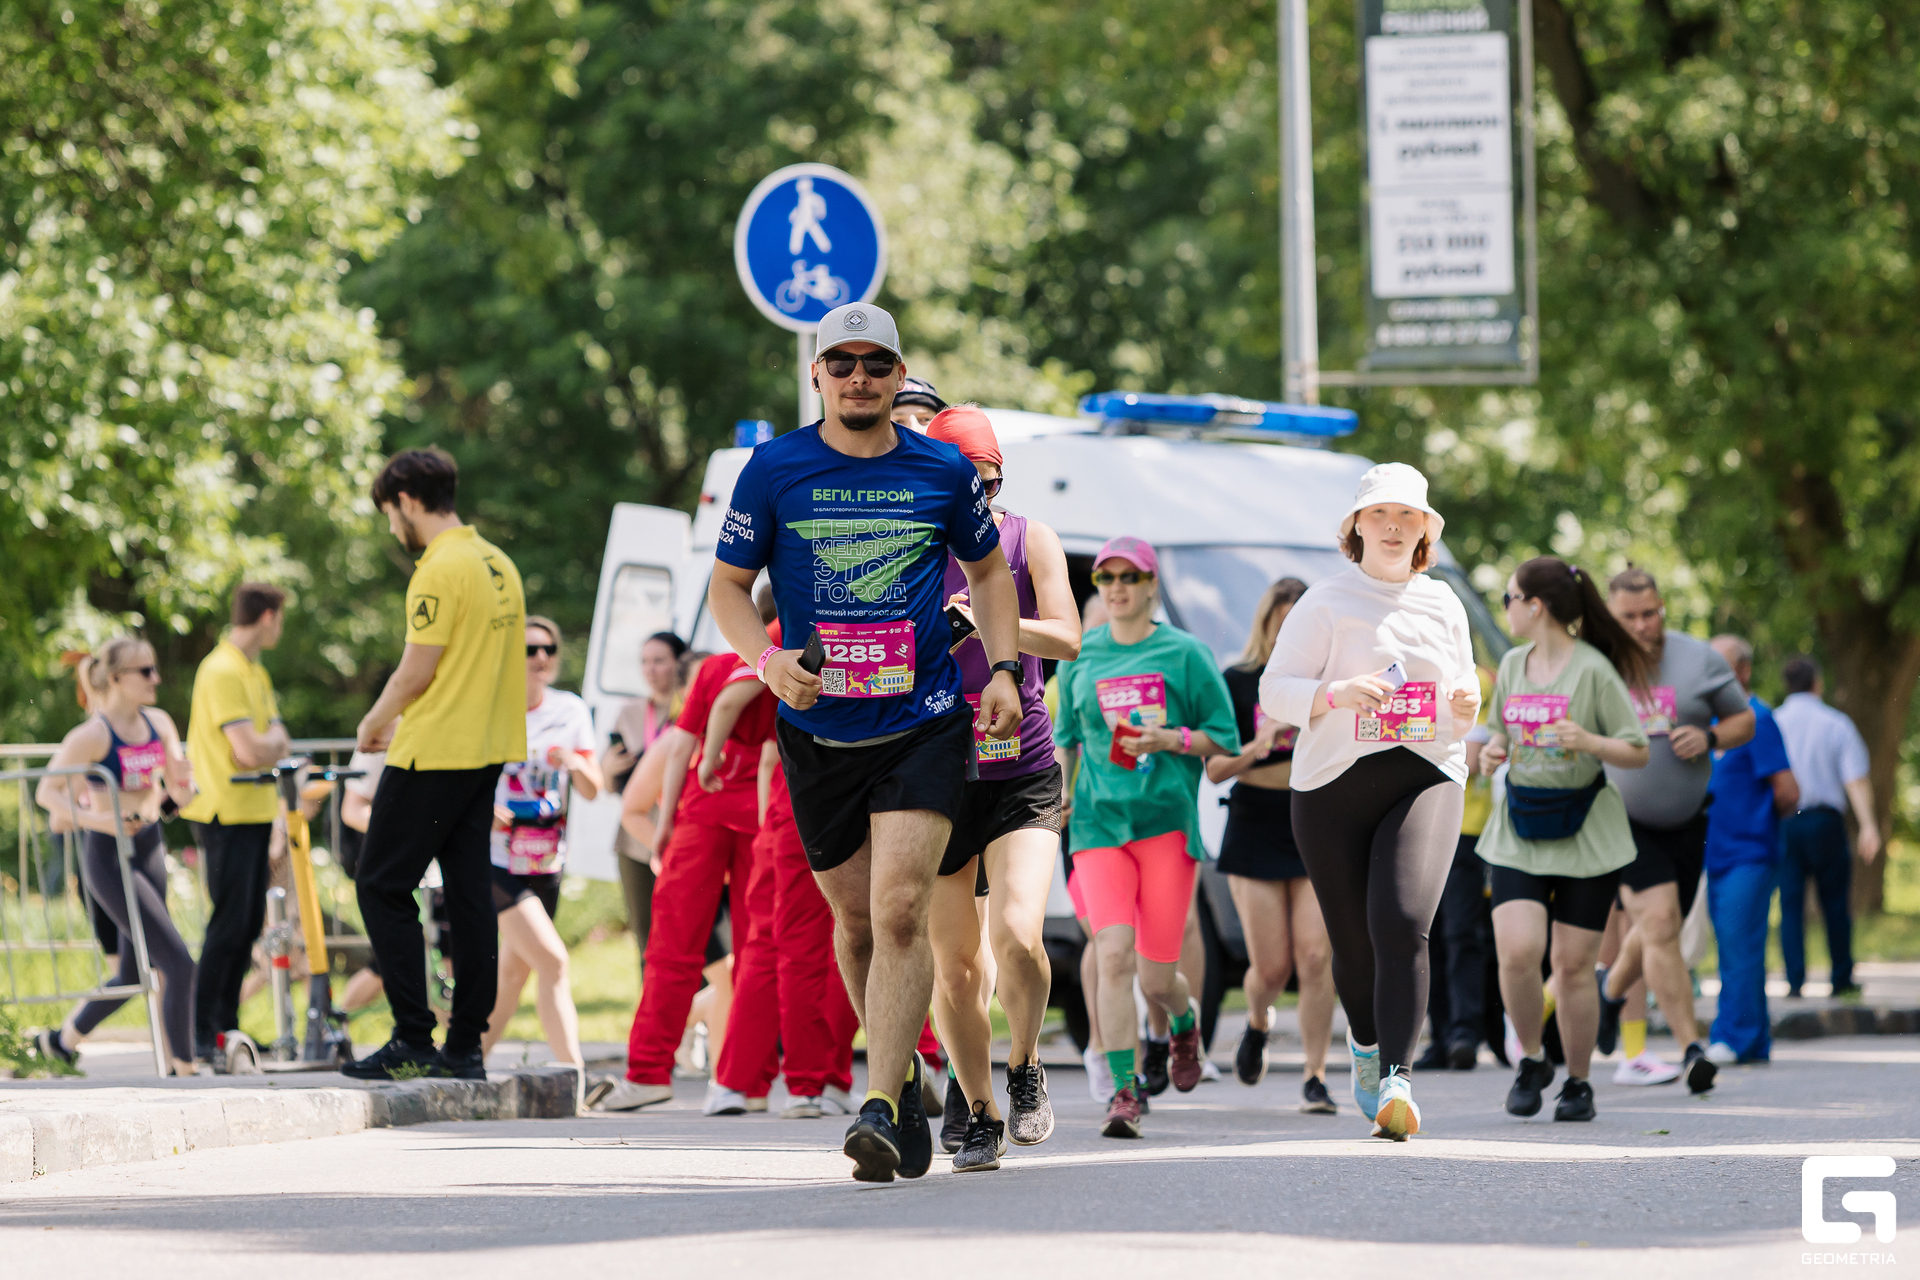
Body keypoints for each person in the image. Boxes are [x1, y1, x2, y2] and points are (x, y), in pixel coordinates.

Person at [706, 301, 1024, 1183]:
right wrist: (767, 661)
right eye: (841, 363)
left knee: (899, 910)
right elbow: (728, 587)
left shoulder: (941, 470)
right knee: (853, 923)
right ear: (816, 375)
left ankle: (878, 1104)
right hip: (818, 731)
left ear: (897, 375)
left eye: (876, 363)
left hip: (923, 722)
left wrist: (1002, 669)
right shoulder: (774, 469)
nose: (859, 378)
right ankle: (903, 1067)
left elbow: (989, 573)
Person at [1260, 463, 1478, 1141]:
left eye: (1407, 515)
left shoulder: (1444, 602)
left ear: (1425, 530)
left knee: (1403, 921)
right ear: (1356, 526)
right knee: (1353, 944)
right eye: (1380, 514)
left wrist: (1468, 704)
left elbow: (1463, 697)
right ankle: (1364, 1043)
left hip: (1427, 773)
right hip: (1330, 788)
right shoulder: (1324, 600)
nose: (1393, 527)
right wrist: (1337, 694)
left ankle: (1397, 1082)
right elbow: (1274, 690)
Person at [922, 405, 1080, 1170]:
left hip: (1022, 766)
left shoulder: (1027, 538)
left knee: (1017, 934)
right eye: (957, 484)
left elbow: (1070, 637)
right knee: (953, 967)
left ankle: (1025, 1063)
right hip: (934, 769)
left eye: (983, 483)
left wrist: (989, 621)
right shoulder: (910, 549)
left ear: (998, 478)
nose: (973, 498)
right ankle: (980, 1111)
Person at [347, 447, 527, 1081]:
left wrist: (372, 722)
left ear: (406, 501)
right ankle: (465, 1046)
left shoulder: (439, 569)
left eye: (389, 512)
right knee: (469, 892)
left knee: (380, 883)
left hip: (435, 751)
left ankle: (412, 1036)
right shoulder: (497, 563)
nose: (392, 525)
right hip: (488, 748)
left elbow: (416, 671)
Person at [1055, 535, 1238, 1139]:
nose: (1116, 588)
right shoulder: (1080, 654)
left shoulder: (1185, 653)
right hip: (1097, 826)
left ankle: (1183, 1023)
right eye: (1105, 578)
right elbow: (1066, 738)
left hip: (1164, 825)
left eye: (1128, 578)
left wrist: (1172, 740)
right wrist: (1061, 791)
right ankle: (1124, 1091)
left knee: (1158, 979)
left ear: (1151, 585)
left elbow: (1224, 737)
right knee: (1112, 954)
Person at [1477, 557, 1652, 1123]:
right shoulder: (1512, 665)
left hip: (1585, 831)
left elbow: (1637, 750)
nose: (1506, 608)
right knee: (1517, 952)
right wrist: (1492, 751)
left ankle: (1578, 1082)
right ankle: (1531, 1059)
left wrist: (1589, 741)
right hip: (1521, 827)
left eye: (1509, 597)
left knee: (1573, 966)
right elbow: (1500, 733)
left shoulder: (1594, 670)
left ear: (1536, 606)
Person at [600, 603, 781, 1114]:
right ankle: (748, 1082)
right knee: (759, 952)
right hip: (762, 818)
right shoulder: (798, 662)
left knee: (672, 951)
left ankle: (648, 1073)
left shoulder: (716, 668)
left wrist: (663, 829)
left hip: (702, 815)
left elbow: (681, 749)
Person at [1595, 567, 1753, 1095]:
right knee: (1660, 922)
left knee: (1656, 929)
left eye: (1651, 613)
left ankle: (1610, 992)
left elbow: (1744, 721)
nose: (1643, 625)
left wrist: (1710, 737)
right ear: (1611, 616)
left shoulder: (1698, 659)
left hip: (1688, 822)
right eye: (1630, 617)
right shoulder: (1596, 663)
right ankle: (1691, 1049)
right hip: (1621, 819)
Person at [35, 637, 200, 1075]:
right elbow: (47, 794)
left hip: (148, 847)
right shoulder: (91, 735)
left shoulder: (159, 723)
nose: (155, 679)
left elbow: (176, 792)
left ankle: (59, 1043)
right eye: (145, 671)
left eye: (154, 668)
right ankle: (186, 1072)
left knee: (131, 974)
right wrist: (100, 820)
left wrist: (183, 789)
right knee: (179, 964)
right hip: (109, 857)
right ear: (115, 679)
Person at [1208, 577, 1339, 1114]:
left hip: (1313, 822)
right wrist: (1260, 746)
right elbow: (1217, 769)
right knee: (1271, 969)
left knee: (1316, 956)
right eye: (1278, 623)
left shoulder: (1329, 685)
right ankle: (1259, 1020)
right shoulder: (1238, 682)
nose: (1288, 634)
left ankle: (1316, 1075)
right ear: (1263, 624)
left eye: (1297, 624)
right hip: (1253, 826)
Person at [479, 617, 602, 1071]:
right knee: (553, 962)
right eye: (530, 649)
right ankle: (574, 1078)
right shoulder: (489, 708)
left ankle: (464, 1062)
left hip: (547, 860)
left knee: (513, 976)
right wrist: (484, 811)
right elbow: (461, 780)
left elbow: (593, 788)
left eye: (549, 648)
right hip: (497, 860)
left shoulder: (569, 710)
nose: (541, 657)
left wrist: (575, 763)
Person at [179, 583, 292, 1065]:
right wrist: (269, 745)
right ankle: (200, 1031)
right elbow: (249, 750)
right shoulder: (222, 669)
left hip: (255, 812)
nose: (280, 628)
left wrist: (268, 745)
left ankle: (226, 1029)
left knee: (245, 926)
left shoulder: (254, 671)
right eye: (280, 618)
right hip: (225, 811)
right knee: (228, 925)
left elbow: (274, 740)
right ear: (267, 616)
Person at [1702, 636, 1797, 1063]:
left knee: (1738, 941)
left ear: (1742, 671)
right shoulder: (1712, 723)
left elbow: (1788, 791)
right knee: (1734, 943)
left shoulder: (1757, 717)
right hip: (1716, 853)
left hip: (1750, 854)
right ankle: (1754, 1040)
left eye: (1718, 667)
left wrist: (1757, 822)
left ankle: (1733, 1036)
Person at [1772, 656, 1880, 999]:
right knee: (1834, 901)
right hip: (1825, 821)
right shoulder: (1835, 723)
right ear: (1816, 683)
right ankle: (1841, 977)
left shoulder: (1772, 723)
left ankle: (1794, 980)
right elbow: (1855, 779)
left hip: (1785, 821)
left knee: (1790, 903)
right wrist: (1868, 825)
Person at [1418, 666, 1498, 1071]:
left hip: (1465, 829)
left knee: (1461, 932)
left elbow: (1471, 757)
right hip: (1418, 828)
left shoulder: (1474, 677)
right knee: (1426, 937)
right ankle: (1440, 1037)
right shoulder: (1404, 674)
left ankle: (1465, 1033)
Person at [601, 630, 688, 988]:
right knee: (646, 932)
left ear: (679, 663)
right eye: (645, 662)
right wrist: (608, 770)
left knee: (688, 931)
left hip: (684, 833)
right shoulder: (630, 712)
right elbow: (611, 786)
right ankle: (650, 1007)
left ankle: (701, 1011)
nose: (650, 670)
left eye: (659, 661)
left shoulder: (693, 708)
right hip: (636, 840)